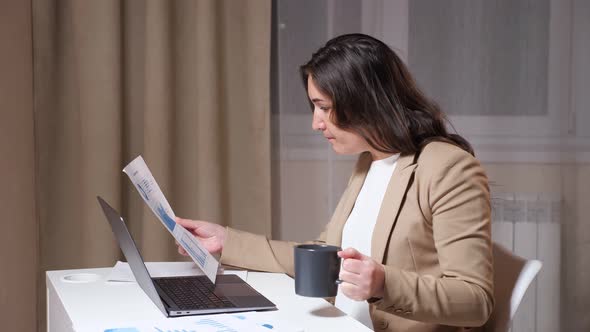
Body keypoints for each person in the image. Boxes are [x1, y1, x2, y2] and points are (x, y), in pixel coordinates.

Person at [176, 33, 494, 332]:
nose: (316, 123)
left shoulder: (449, 167)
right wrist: (226, 242)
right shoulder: (369, 160)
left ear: (366, 102)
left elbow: (476, 300)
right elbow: (325, 255)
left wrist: (384, 284)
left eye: (324, 108)